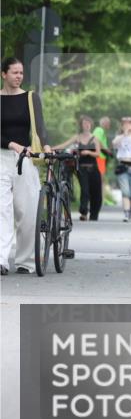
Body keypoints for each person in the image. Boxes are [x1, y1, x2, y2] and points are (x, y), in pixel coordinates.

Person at [1, 57, 54, 274]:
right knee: (1, 211)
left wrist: (47, 146)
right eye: (14, 72)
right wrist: (12, 145)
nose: (18, 76)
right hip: (2, 157)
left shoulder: (31, 98)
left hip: (26, 159)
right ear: (3, 74)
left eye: (21, 73)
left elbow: (39, 127)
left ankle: (26, 261)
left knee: (27, 211)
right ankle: (2, 260)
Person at [54, 115, 103, 221]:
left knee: (96, 192)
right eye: (85, 123)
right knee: (85, 190)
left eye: (88, 123)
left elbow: (98, 153)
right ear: (81, 125)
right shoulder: (77, 137)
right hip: (81, 168)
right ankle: (84, 212)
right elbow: (64, 145)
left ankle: (94, 215)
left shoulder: (95, 139)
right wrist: (51, 148)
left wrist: (89, 152)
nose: (87, 125)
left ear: (91, 125)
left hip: (93, 168)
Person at [93, 115, 111, 198]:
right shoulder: (99, 130)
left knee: (100, 179)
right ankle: (97, 197)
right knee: (99, 179)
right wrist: (106, 150)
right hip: (98, 157)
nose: (109, 126)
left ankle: (99, 198)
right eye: (108, 123)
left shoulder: (102, 131)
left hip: (101, 158)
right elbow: (96, 140)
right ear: (104, 123)